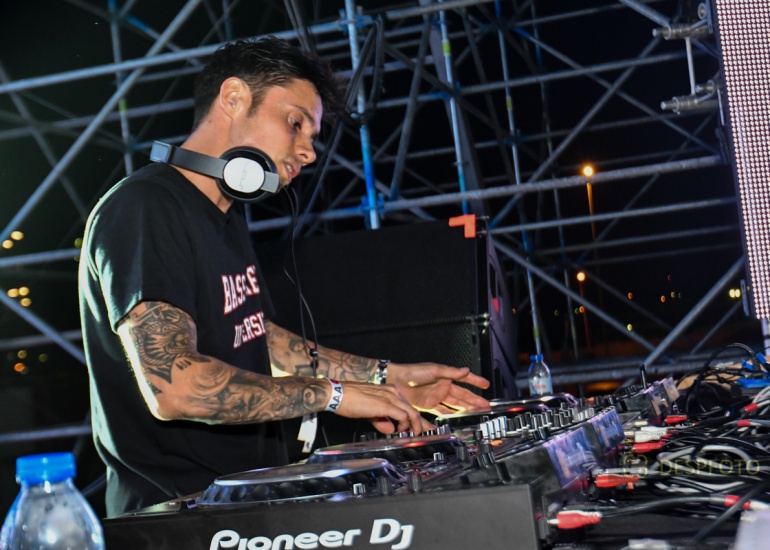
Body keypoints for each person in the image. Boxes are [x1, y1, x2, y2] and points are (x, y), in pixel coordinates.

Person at [78, 36, 490, 518]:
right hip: (177, 517)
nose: (309, 152)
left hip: (244, 500)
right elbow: (175, 387)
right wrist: (334, 396)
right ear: (234, 98)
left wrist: (391, 379)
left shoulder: (225, 216)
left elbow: (261, 339)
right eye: (295, 123)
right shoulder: (145, 208)